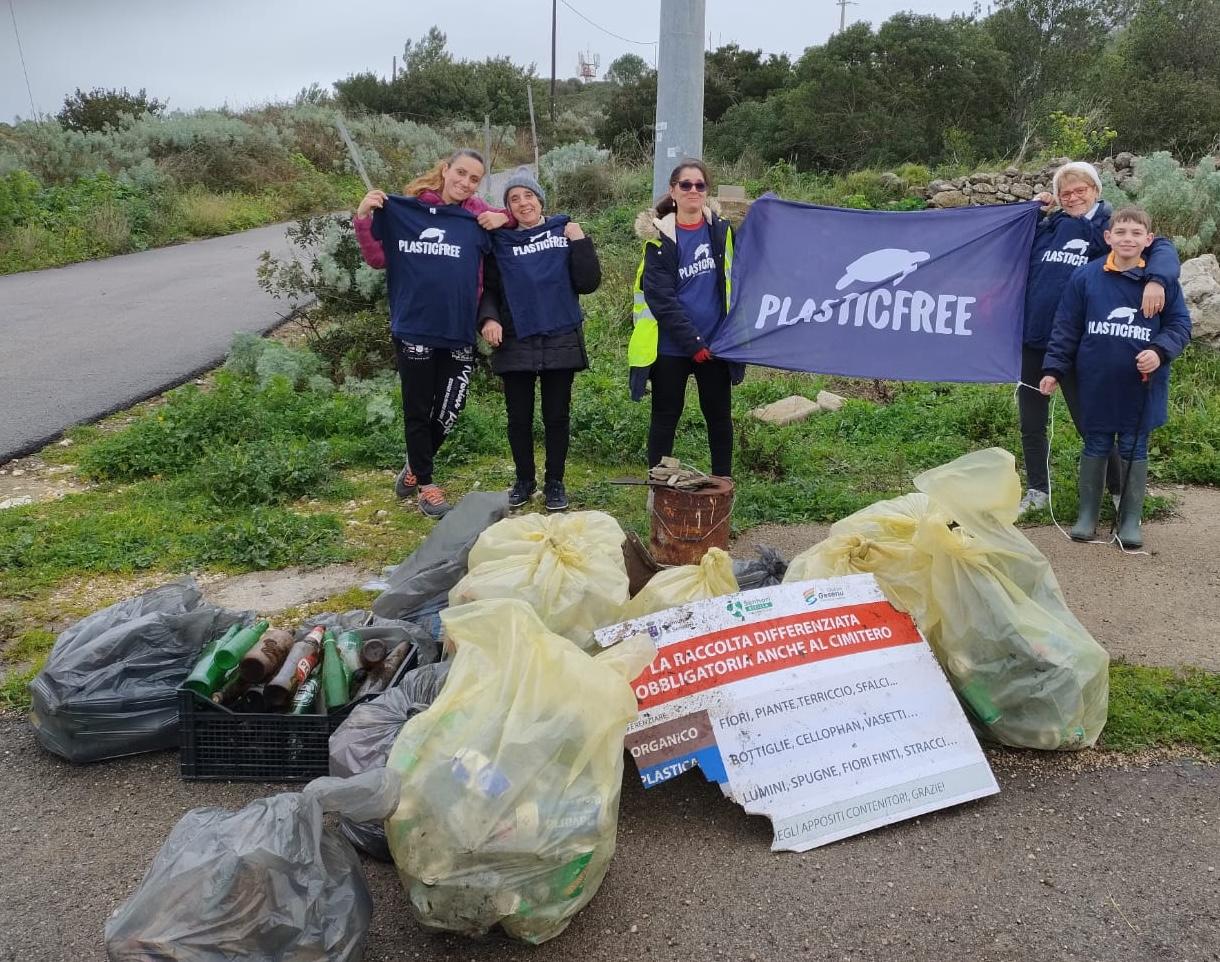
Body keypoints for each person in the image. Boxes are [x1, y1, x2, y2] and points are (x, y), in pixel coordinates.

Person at [1016, 160, 1180, 516]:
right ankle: (1037, 490)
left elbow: (1161, 248)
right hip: (1035, 339)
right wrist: (1031, 211)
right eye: (1066, 192)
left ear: (1095, 191)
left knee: (1092, 423)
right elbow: (1011, 245)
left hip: (1079, 341)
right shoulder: (1049, 227)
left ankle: (1120, 491)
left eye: (1081, 190)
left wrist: (1157, 280)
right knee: (1032, 421)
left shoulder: (1110, 227)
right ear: (1057, 197)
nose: (1073, 197)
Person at [353, 149, 510, 518]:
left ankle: (414, 465)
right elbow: (376, 258)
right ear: (445, 170)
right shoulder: (405, 212)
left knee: (451, 405)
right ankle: (426, 483)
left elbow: (507, 224)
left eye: (474, 178)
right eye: (460, 173)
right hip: (415, 327)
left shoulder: (474, 217)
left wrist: (500, 217)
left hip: (457, 329)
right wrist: (363, 216)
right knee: (418, 408)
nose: (465, 182)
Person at [1039, 206, 1192, 549]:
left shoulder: (1160, 283)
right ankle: (1088, 515)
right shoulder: (1086, 277)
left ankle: (1130, 520)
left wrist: (1159, 351)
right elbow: (1067, 327)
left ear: (1148, 240)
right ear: (1108, 237)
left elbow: (1181, 326)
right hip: (1095, 380)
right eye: (1120, 232)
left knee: (1134, 446)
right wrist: (1053, 368)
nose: (1128, 239)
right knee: (1096, 442)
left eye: (1136, 234)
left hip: (1141, 384)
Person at [477, 169, 602, 512]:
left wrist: (580, 241)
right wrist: (488, 318)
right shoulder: (500, 242)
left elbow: (588, 282)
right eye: (514, 199)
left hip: (559, 334)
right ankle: (524, 480)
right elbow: (487, 287)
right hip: (515, 337)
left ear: (540, 199)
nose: (522, 203)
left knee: (556, 416)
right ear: (508, 208)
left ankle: (555, 483)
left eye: (528, 196)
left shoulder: (563, 231)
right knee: (518, 418)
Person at [630, 159, 743, 478]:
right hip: (671, 347)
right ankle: (659, 487)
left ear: (706, 191)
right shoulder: (658, 238)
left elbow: (739, 276)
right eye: (686, 185)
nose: (693, 190)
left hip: (716, 344)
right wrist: (693, 342)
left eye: (700, 185)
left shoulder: (721, 231)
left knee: (719, 417)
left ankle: (723, 484)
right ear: (673, 191)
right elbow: (660, 298)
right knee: (665, 417)